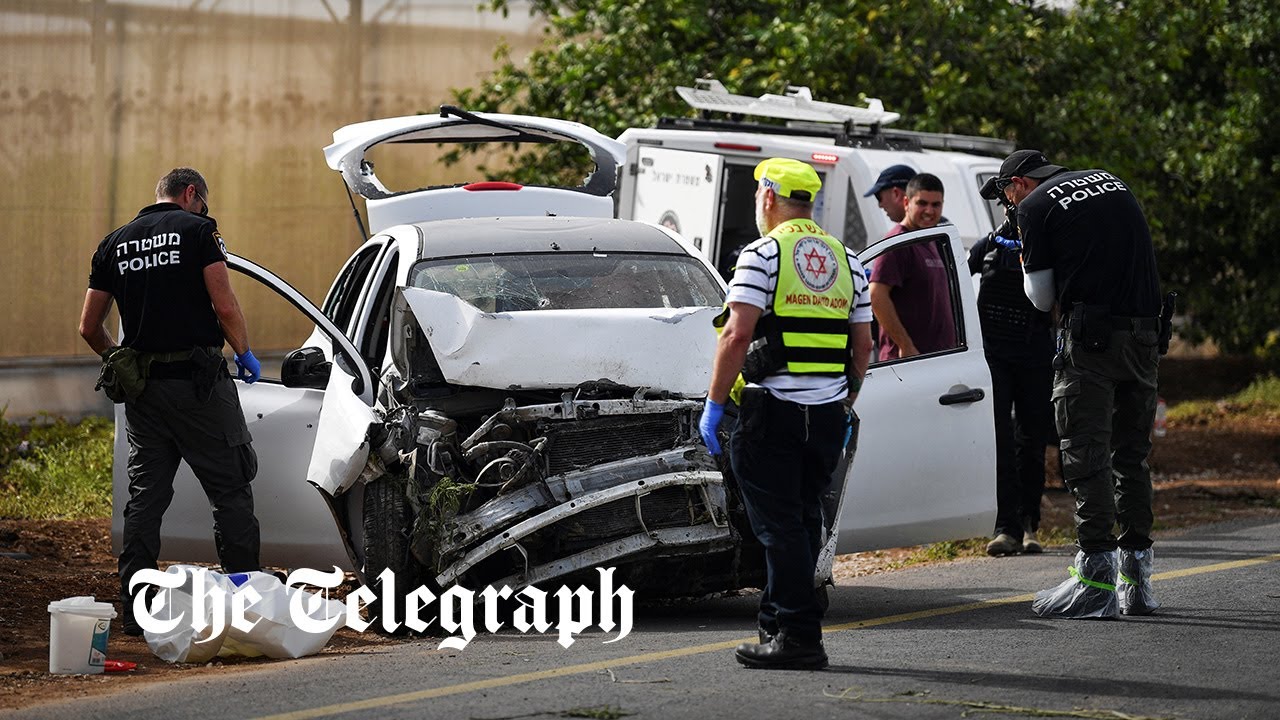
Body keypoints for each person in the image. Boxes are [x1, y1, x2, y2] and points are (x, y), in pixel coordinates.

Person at [699, 158, 873, 670]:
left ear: (768, 197)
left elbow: (735, 335)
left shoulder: (763, 255)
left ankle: (799, 636)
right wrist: (845, 402)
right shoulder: (848, 259)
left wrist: (712, 408)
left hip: (771, 412)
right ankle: (776, 623)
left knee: (779, 528)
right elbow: (863, 346)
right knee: (802, 520)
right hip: (824, 416)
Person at [79, 167, 264, 636]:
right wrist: (243, 352)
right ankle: (246, 604)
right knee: (230, 491)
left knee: (145, 501)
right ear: (190, 194)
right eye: (202, 202)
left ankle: (135, 612)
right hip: (200, 385)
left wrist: (118, 360)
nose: (204, 210)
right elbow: (224, 305)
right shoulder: (199, 231)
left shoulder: (113, 243)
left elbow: (88, 326)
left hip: (144, 393)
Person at [998, 149, 1163, 618]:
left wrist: (1029, 248)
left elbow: (1040, 298)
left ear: (1019, 184)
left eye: (1006, 193)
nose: (1008, 204)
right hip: (1146, 337)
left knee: (1085, 454)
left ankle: (1095, 583)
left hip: (1092, 346)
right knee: (1131, 457)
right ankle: (1138, 584)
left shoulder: (1033, 208)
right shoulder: (1110, 178)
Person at [967, 185, 1054, 557]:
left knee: (1031, 441)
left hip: (1035, 356)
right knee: (1000, 441)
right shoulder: (986, 247)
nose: (1012, 213)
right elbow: (949, 286)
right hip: (995, 359)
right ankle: (1007, 528)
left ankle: (1030, 523)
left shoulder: (1045, 248)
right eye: (1008, 207)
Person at [868, 173, 955, 360]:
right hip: (907, 363)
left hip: (936, 360)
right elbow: (876, 295)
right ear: (907, 203)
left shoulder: (930, 240)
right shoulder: (897, 242)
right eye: (922, 203)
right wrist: (905, 345)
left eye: (936, 205)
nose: (929, 211)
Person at [863, 164, 916, 232]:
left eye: (879, 197)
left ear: (896, 194)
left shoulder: (898, 238)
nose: (880, 205)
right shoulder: (929, 232)